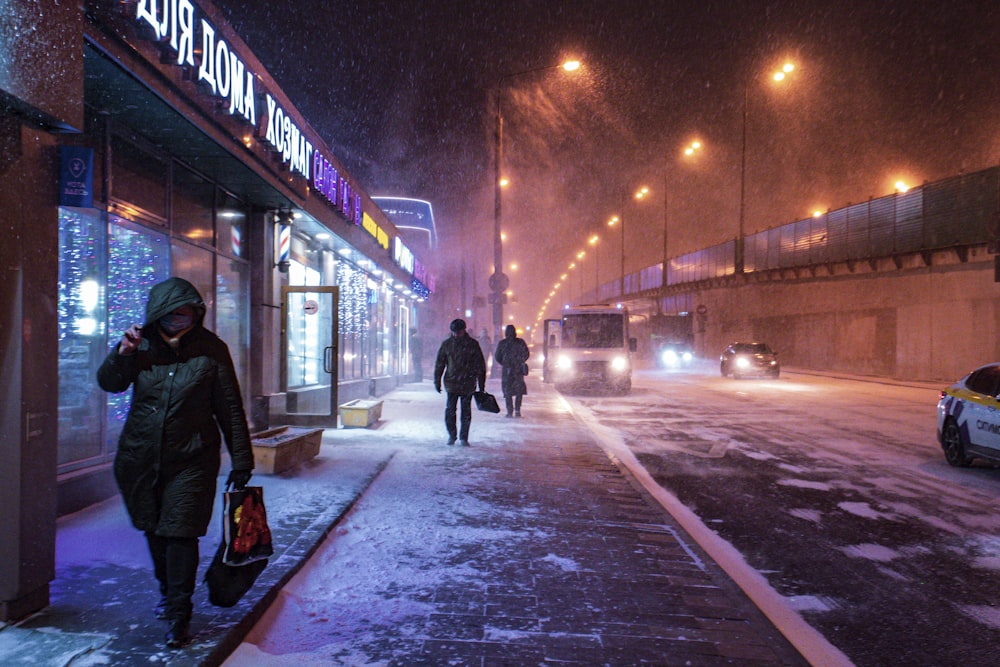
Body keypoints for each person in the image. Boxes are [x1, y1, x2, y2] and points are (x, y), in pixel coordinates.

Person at [97, 277, 254, 649]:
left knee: (181, 532)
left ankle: (179, 613)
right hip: (140, 458)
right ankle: (168, 593)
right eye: (173, 315)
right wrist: (123, 353)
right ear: (158, 315)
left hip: (192, 460)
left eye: (187, 314)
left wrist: (241, 459)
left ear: (196, 314)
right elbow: (109, 383)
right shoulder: (141, 344)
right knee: (155, 528)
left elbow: (229, 407)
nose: (180, 321)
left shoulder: (211, 349)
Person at [433, 318, 486, 446]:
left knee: (465, 411)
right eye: (454, 332)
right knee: (451, 410)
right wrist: (437, 381)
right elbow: (440, 364)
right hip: (453, 383)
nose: (456, 334)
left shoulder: (472, 344)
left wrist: (481, 384)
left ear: (464, 330)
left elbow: (480, 365)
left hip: (466, 383)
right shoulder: (447, 344)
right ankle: (452, 435)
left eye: (458, 332)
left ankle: (463, 437)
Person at [494, 324, 531, 417]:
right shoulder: (520, 342)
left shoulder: (502, 343)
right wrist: (520, 361)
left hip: (507, 371)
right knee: (519, 390)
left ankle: (509, 411)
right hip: (518, 370)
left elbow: (497, 357)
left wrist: (505, 363)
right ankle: (517, 410)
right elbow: (526, 353)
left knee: (508, 391)